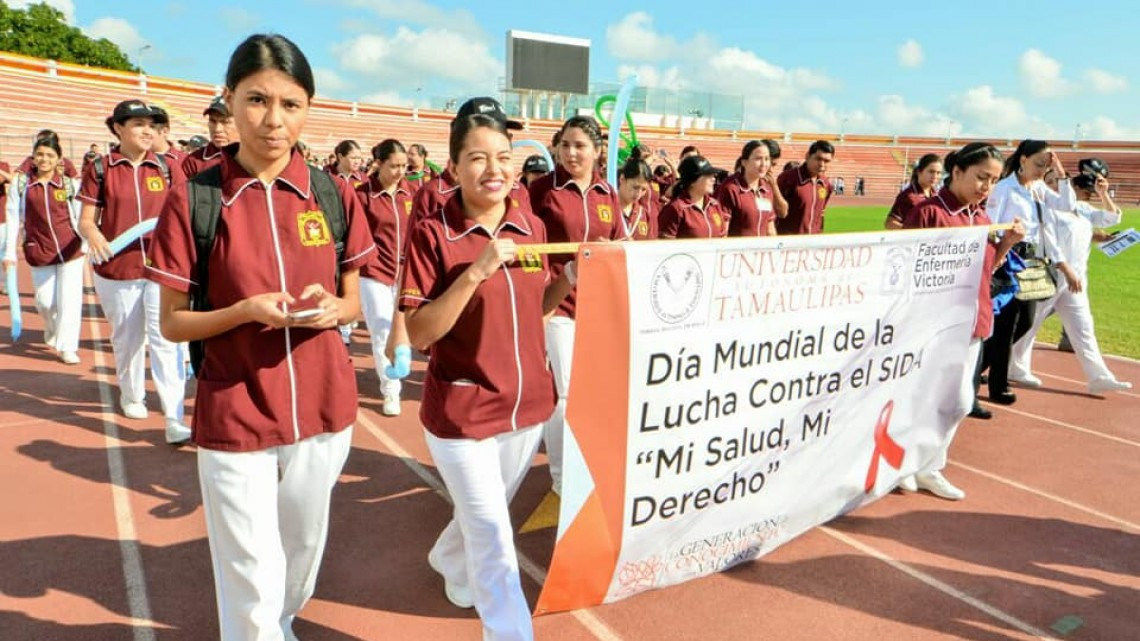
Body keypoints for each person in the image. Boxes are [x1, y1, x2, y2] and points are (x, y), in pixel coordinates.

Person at [146, 34, 376, 641]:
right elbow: (173, 322)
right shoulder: (195, 198)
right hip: (235, 406)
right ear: (229, 100)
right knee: (250, 570)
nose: (274, 121)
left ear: (309, 107)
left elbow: (354, 300)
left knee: (300, 556)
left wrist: (335, 310)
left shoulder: (332, 194)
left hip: (323, 407)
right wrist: (243, 311)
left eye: (291, 104)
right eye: (256, 100)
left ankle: (282, 623)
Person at [400, 108, 574, 641]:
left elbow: (534, 307)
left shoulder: (533, 225)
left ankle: (448, 558)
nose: (493, 169)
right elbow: (421, 331)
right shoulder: (435, 233)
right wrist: (476, 271)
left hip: (525, 409)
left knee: (486, 516)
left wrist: (565, 281)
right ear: (453, 167)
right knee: (496, 539)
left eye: (503, 158)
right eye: (477, 158)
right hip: (463, 414)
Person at [901, 142, 1025, 499]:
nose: (986, 186)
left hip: (973, 321)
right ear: (957, 172)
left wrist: (1008, 244)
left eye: (993, 180)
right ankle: (908, 464)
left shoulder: (983, 217)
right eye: (981, 177)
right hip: (932, 325)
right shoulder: (928, 213)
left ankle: (928, 466)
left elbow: (987, 269)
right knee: (922, 397)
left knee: (958, 401)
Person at [77, 100, 190, 444]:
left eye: (152, 125)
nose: (147, 131)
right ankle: (132, 394)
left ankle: (174, 415)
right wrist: (94, 234)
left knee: (166, 340)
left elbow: (182, 215)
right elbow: (85, 221)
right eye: (139, 124)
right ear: (118, 129)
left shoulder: (167, 168)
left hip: (160, 269)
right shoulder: (101, 168)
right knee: (128, 339)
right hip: (118, 270)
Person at [528, 114, 621, 495]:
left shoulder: (607, 193)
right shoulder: (543, 190)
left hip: (597, 308)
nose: (570, 152)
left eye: (579, 145)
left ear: (597, 151)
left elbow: (616, 242)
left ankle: (585, 460)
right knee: (565, 392)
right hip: (558, 305)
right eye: (564, 144)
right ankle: (561, 476)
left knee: (592, 391)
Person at [1010, 160, 1131, 394]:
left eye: (1058, 181)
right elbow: (1052, 244)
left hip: (1076, 280)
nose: (1056, 186)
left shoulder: (1083, 209)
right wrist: (1066, 271)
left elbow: (1112, 218)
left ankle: (1099, 376)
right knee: (1031, 324)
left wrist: (1103, 193)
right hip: (1052, 274)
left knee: (1084, 327)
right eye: (1050, 182)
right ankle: (1012, 366)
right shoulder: (1047, 210)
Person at [982, 140, 1072, 405]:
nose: (1041, 169)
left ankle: (977, 367)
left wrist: (1059, 169)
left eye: (1046, 164)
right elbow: (991, 223)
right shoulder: (1005, 188)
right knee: (1007, 323)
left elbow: (1066, 205)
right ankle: (998, 386)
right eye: (1038, 163)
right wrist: (999, 253)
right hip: (1010, 255)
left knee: (1026, 322)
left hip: (1032, 258)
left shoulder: (1039, 188)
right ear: (1022, 159)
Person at [4, 135, 84, 363]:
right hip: (38, 250)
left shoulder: (69, 184)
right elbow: (12, 219)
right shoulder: (22, 185)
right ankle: (52, 328)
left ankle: (68, 346)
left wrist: (86, 244)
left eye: (50, 155)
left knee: (69, 300)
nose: (44, 159)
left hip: (72, 250)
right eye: (40, 154)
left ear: (59, 158)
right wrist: (10, 253)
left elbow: (79, 217)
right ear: (33, 157)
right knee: (45, 301)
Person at [356, 139, 414, 416]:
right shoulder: (362, 196)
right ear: (379, 164)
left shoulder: (411, 193)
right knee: (381, 330)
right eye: (394, 165)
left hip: (405, 275)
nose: (400, 171)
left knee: (405, 330)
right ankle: (391, 390)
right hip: (374, 273)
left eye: (404, 165)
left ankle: (397, 370)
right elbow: (357, 236)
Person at [717, 140, 788, 237]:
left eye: (767, 159)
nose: (764, 164)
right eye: (758, 159)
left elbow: (770, 229)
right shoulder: (730, 188)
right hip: (738, 251)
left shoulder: (766, 190)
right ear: (744, 162)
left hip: (762, 251)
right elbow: (722, 231)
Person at [659, 155, 731, 238]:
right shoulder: (676, 209)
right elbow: (665, 246)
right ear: (692, 182)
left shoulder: (714, 205)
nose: (713, 179)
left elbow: (722, 239)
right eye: (708, 175)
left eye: (713, 175)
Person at [776, 140, 833, 235]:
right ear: (807, 156)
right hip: (788, 241)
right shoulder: (788, 178)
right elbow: (774, 211)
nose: (822, 164)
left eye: (826, 161)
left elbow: (821, 214)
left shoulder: (826, 184)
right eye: (818, 159)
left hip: (812, 243)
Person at [178, 95, 240, 180]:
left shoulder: (256, 157)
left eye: (225, 122)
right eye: (212, 121)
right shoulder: (194, 161)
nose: (217, 129)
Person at [885, 154, 943, 230]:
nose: (935, 176)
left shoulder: (937, 195)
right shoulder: (908, 196)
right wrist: (911, 233)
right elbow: (890, 223)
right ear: (919, 172)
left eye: (938, 173)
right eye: (931, 172)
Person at [615, 146, 658, 241]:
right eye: (635, 187)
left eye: (643, 190)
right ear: (622, 179)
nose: (638, 194)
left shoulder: (644, 214)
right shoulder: (608, 208)